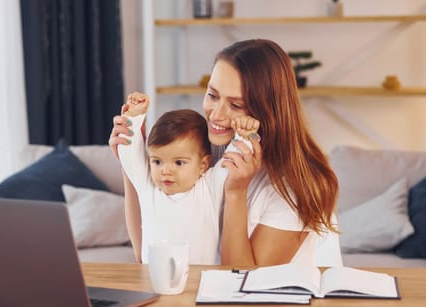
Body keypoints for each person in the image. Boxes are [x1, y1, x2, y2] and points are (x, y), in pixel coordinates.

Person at [109, 38, 340, 267]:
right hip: (199, 297)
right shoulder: (206, 152)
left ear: (268, 111)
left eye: (236, 105)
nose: (216, 115)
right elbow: (145, 254)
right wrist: (133, 164)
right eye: (212, 95)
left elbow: (241, 280)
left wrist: (236, 193)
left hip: (266, 302)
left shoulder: (299, 187)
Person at [117, 92, 258, 265]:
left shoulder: (209, 187)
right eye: (157, 161)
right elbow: (128, 152)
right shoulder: (148, 186)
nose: (165, 171)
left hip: (199, 281)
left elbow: (234, 158)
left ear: (203, 165)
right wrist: (134, 116)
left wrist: (245, 134)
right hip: (152, 279)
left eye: (179, 162)